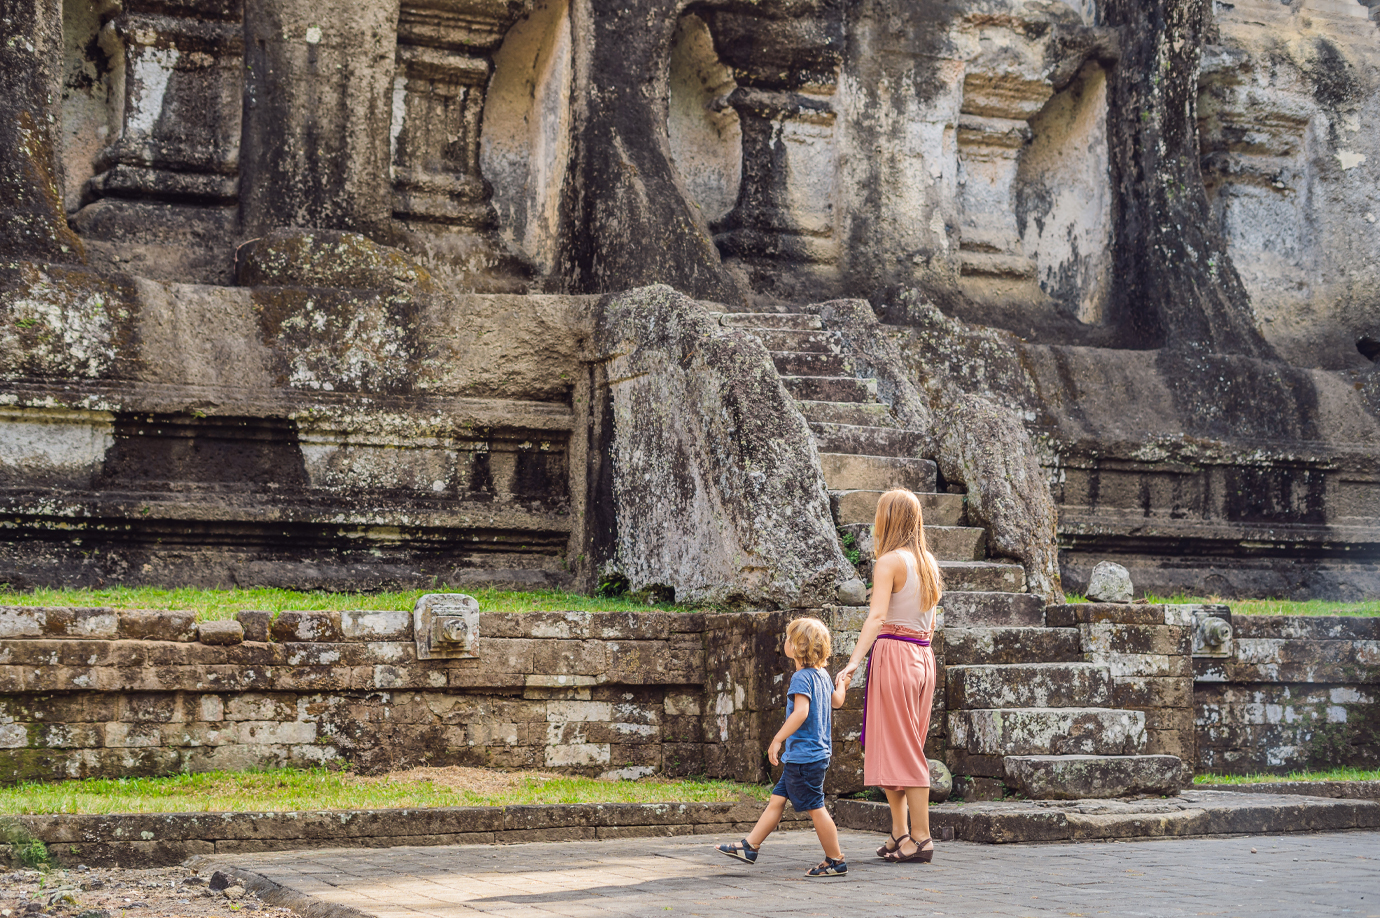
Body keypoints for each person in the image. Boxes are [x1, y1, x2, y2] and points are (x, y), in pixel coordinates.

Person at [834, 488, 943, 864]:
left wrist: (852, 662)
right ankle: (899, 832)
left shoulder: (889, 562)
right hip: (923, 657)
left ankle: (922, 838)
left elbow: (878, 617)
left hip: (895, 654)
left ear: (888, 519)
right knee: (891, 745)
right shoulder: (927, 561)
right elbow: (928, 623)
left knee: (905, 749)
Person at [714, 617, 852, 877]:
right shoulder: (822, 675)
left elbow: (801, 713)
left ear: (798, 647)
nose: (784, 643)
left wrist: (777, 739)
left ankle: (835, 860)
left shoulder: (801, 677)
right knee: (777, 799)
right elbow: (837, 702)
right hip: (813, 755)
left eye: (788, 639)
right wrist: (842, 684)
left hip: (804, 758)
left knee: (816, 807)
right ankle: (750, 846)